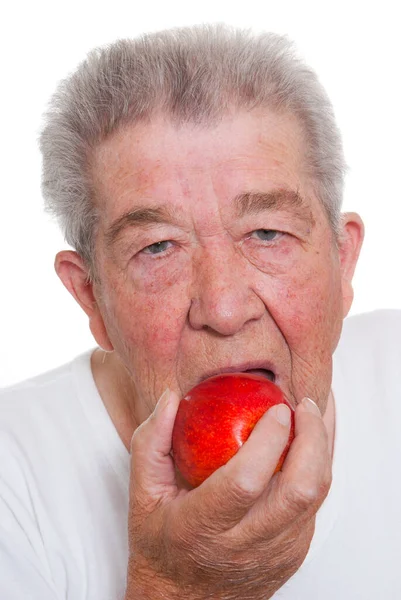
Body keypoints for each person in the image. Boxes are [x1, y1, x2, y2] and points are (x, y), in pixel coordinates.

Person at [0, 23, 400, 600]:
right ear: (92, 298)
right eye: (158, 247)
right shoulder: (13, 484)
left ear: (342, 263)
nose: (224, 308)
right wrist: (176, 588)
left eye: (267, 232)